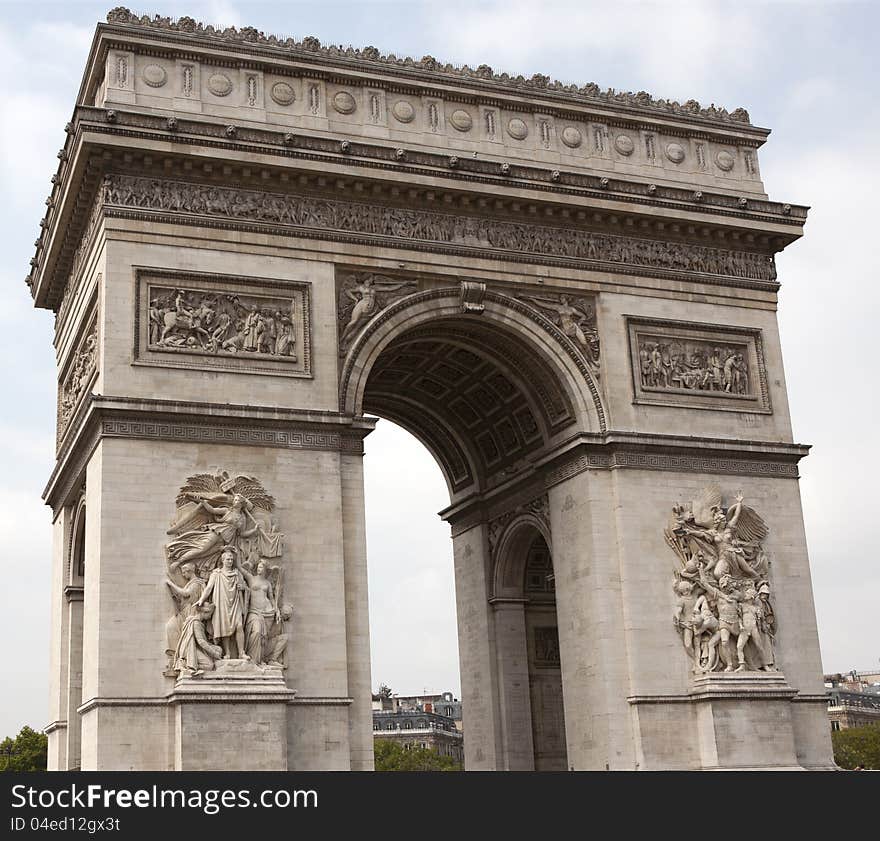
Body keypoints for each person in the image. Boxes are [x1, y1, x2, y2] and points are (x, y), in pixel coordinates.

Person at [195, 547, 249, 660]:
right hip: (222, 603)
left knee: (239, 626)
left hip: (235, 602)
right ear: (222, 560)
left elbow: (245, 586)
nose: (230, 561)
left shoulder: (237, 573)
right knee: (225, 628)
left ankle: (241, 652)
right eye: (228, 559)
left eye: (231, 559)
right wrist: (201, 599)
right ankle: (227, 653)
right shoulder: (216, 573)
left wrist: (243, 588)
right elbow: (209, 588)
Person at [164, 563, 205, 667]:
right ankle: (175, 657)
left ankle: (182, 658)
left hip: (191, 612)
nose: (183, 575)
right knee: (171, 627)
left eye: (184, 572)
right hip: (184, 611)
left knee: (173, 627)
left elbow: (186, 593)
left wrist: (171, 584)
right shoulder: (191, 583)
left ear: (189, 571)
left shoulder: (196, 583)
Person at [172, 603, 223, 677]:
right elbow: (201, 641)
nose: (210, 617)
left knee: (219, 649)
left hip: (195, 647)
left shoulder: (199, 622)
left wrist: (215, 649)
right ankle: (185, 664)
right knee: (209, 665)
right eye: (210, 614)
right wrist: (214, 653)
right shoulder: (196, 622)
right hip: (189, 649)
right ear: (204, 612)